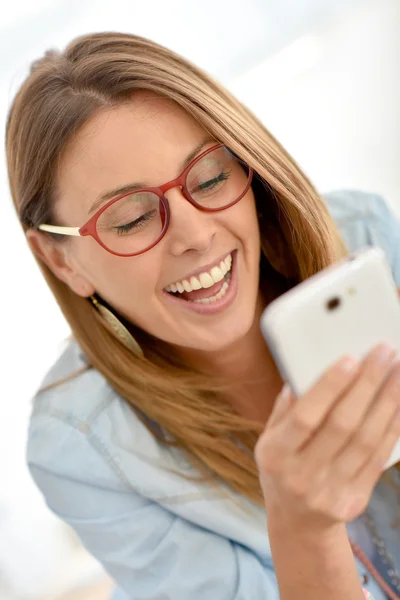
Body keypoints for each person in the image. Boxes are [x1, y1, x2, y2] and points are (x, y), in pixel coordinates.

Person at [6, 31, 400, 600]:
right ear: (60, 259)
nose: (197, 235)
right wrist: (301, 530)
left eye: (211, 177)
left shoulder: (364, 238)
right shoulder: (80, 447)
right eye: (132, 218)